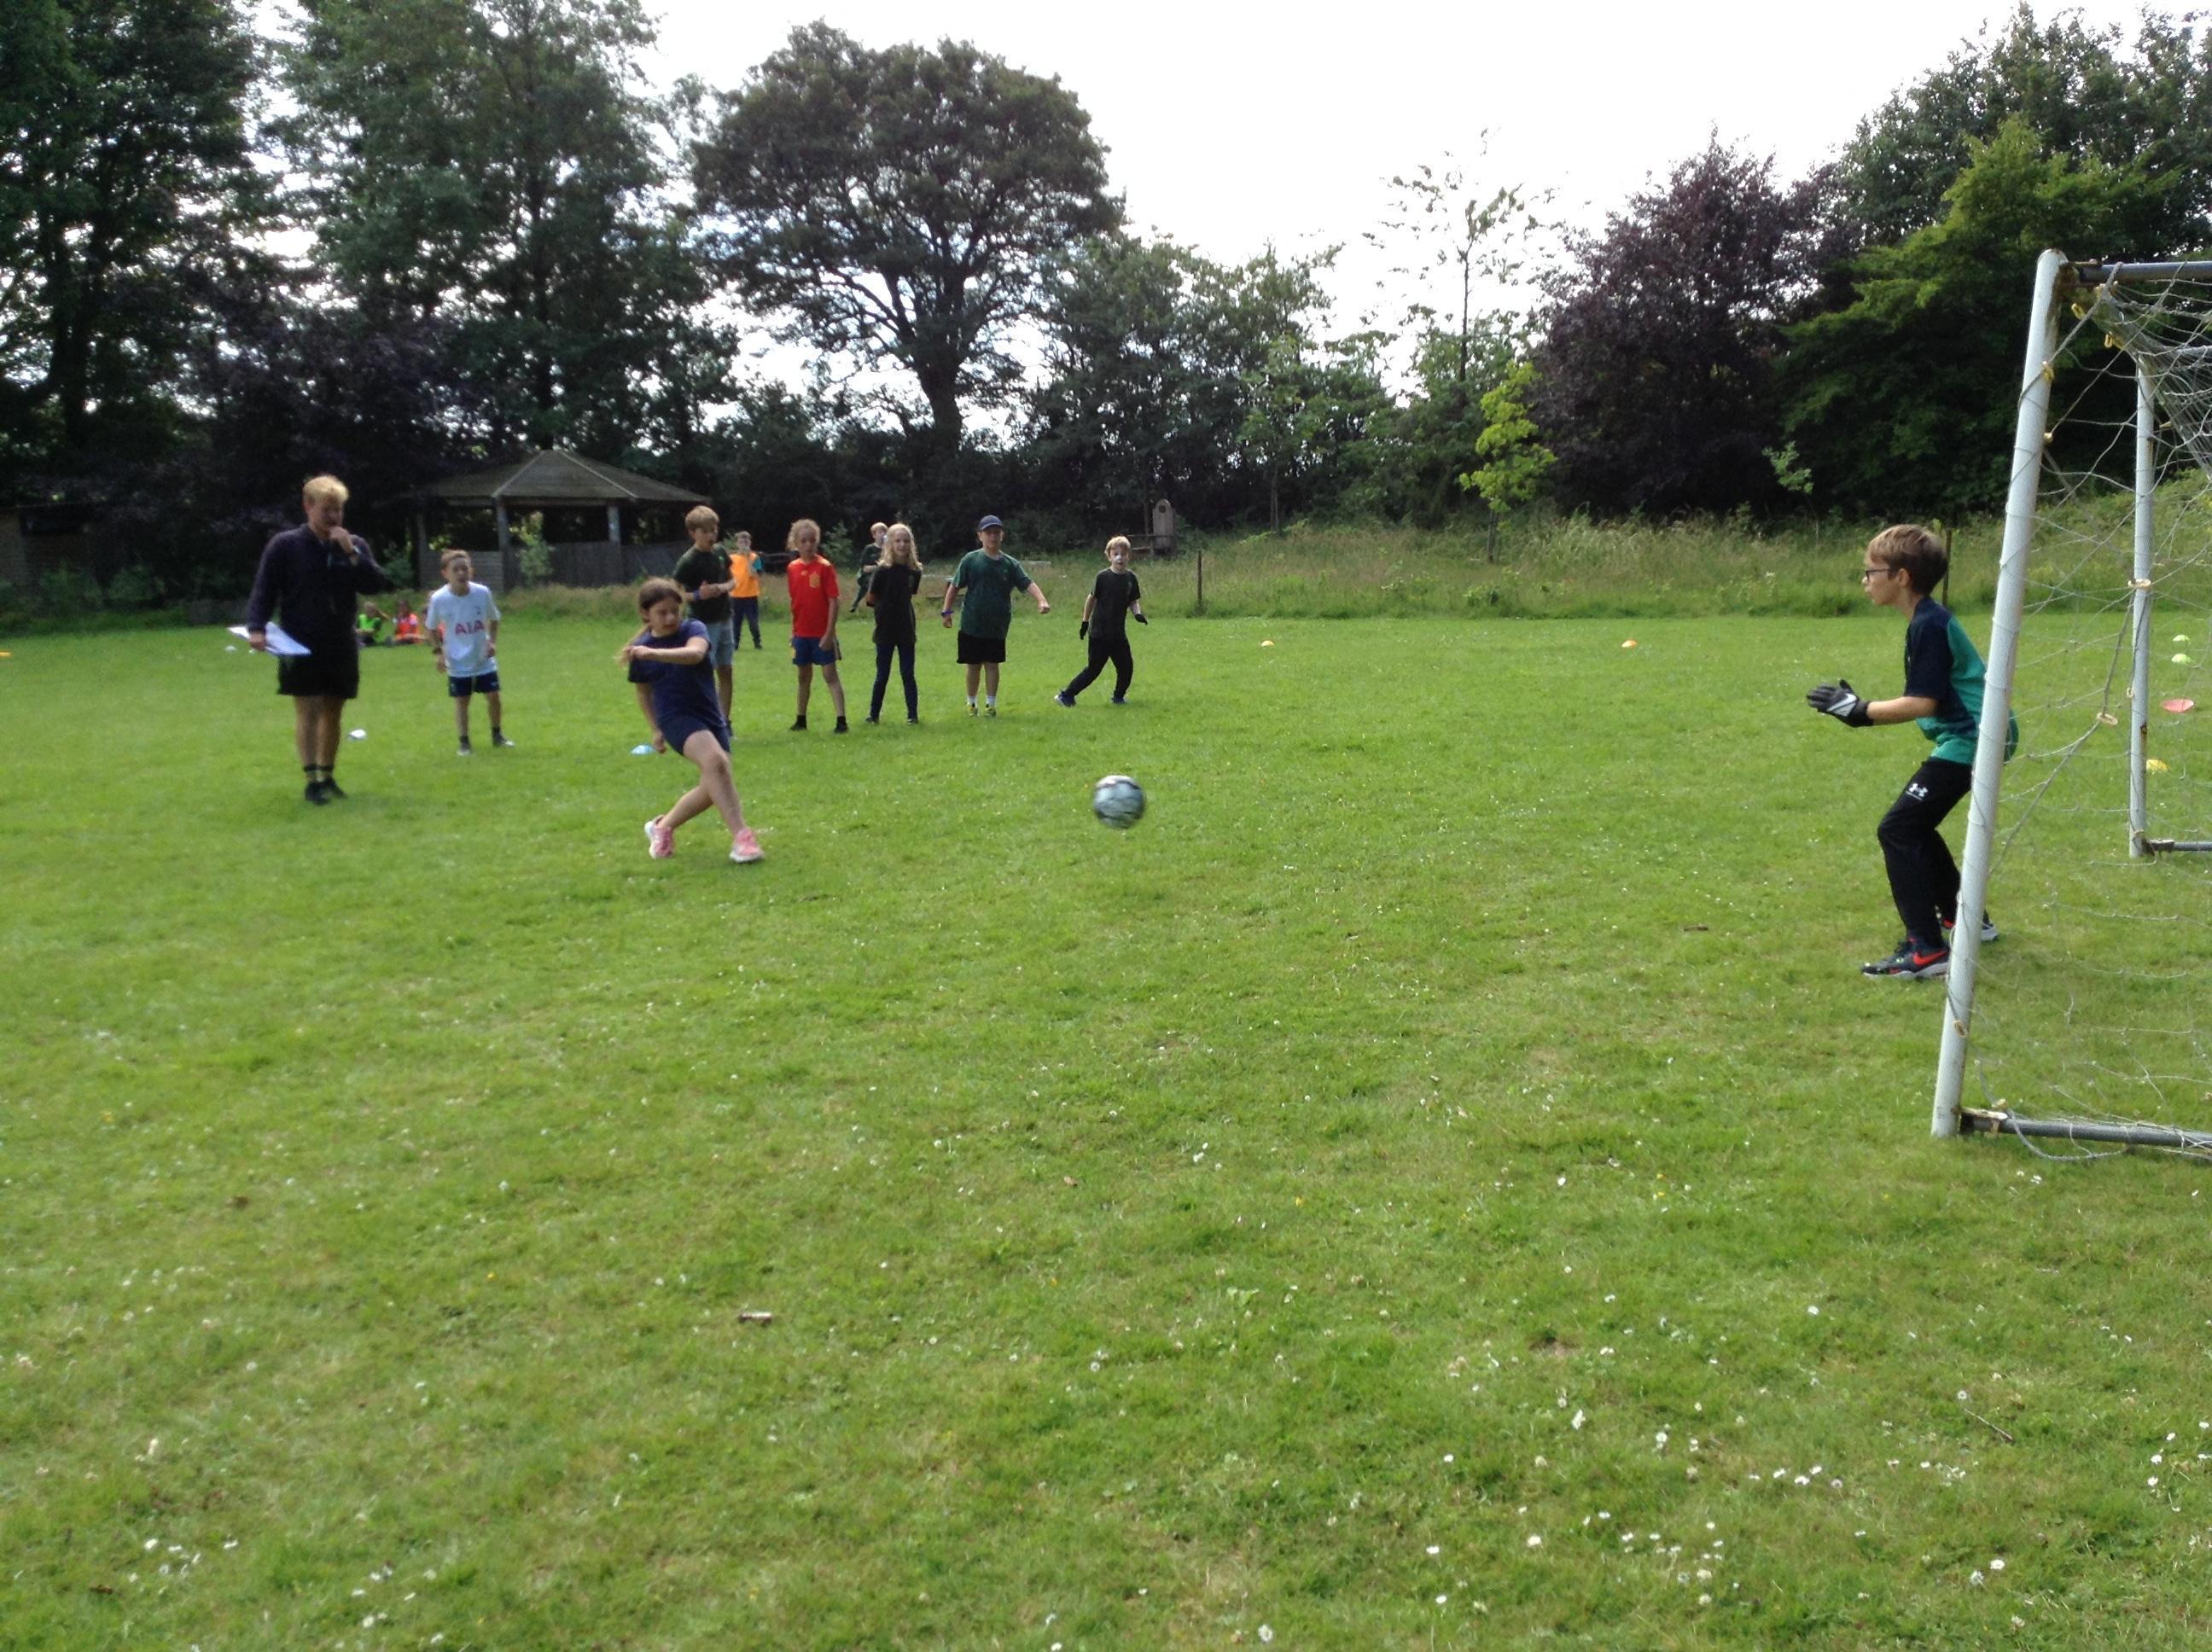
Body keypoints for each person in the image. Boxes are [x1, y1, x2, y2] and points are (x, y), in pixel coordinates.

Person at [1807, 523, 2011, 980]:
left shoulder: (1929, 625)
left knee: (1898, 829)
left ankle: (1927, 951)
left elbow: (1923, 703)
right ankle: (1966, 918)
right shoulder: (1927, 619)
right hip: (1975, 736)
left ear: (1900, 577)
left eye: (1871, 571)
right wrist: (1858, 709)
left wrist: (1859, 711)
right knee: (1914, 826)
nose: (1865, 579)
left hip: (1974, 739)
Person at [244, 474, 395, 804]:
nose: (334, 517)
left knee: (334, 710)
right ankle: (311, 779)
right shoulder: (285, 546)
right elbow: (264, 589)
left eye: (338, 510)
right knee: (308, 708)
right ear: (308, 507)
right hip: (299, 642)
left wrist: (351, 553)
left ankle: (328, 775)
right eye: (327, 509)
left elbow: (375, 585)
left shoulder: (354, 544)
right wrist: (256, 627)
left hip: (340, 640)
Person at [623, 576, 763, 864]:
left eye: (675, 611)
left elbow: (695, 654)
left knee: (715, 784)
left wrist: (655, 654)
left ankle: (662, 827)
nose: (670, 618)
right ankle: (742, 839)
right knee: (716, 764)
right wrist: (655, 729)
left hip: (709, 715)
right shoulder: (641, 649)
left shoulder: (693, 629)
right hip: (675, 718)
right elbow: (643, 693)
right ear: (645, 614)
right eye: (662, 612)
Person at [940, 514, 1049, 715]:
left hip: (997, 625)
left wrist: (1041, 600)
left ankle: (991, 704)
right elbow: (955, 586)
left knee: (992, 664)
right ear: (980, 536)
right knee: (973, 665)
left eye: (996, 533)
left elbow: (1027, 583)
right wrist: (946, 611)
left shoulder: (1010, 564)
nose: (993, 536)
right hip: (972, 623)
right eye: (988, 532)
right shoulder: (971, 560)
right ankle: (971, 703)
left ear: (1002, 536)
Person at [428, 549, 511, 754]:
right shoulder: (439, 599)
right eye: (456, 570)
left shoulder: (482, 593)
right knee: (462, 700)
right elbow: (431, 627)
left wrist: (492, 642)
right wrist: (439, 653)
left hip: (482, 656)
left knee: (493, 696)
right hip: (457, 660)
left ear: (471, 571)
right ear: (445, 573)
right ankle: (464, 742)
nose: (461, 573)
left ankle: (497, 735)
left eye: (464, 569)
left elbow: (494, 618)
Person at [1055, 535, 1148, 707]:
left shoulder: (1130, 579)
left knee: (1126, 667)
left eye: (1123, 554)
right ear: (1109, 556)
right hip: (1099, 634)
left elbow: (1133, 601)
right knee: (1094, 669)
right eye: (1116, 554)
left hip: (1118, 633)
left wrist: (1137, 614)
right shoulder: (1103, 577)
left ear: (1129, 556)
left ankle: (1118, 697)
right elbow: (1091, 599)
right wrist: (1085, 622)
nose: (1120, 558)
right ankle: (1066, 696)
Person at [674, 505, 737, 724]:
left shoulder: (720, 552)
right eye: (705, 531)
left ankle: (724, 722)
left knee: (726, 669)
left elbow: (733, 581)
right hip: (702, 624)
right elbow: (675, 593)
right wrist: (697, 595)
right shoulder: (688, 560)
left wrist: (722, 588)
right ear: (693, 533)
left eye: (714, 530)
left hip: (725, 618)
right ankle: (703, 718)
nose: (711, 536)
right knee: (703, 673)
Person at [785, 518, 848, 733]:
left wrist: (829, 634)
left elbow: (833, 601)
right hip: (801, 633)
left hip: (821, 633)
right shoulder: (792, 568)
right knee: (803, 677)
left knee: (830, 675)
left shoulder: (824, 568)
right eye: (803, 541)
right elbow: (795, 603)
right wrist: (793, 631)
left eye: (812, 540)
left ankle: (841, 720)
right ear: (796, 543)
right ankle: (801, 719)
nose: (808, 545)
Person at [863, 522, 924, 724]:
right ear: (890, 544)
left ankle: (913, 715)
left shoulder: (914, 572)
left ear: (911, 544)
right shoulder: (882, 571)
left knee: (908, 673)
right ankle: (873, 715)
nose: (902, 545)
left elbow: (911, 593)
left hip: (906, 627)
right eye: (898, 541)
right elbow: (871, 599)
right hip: (885, 628)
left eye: (906, 541)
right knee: (882, 674)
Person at [728, 530, 764, 650]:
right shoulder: (731, 558)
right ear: (737, 543)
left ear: (750, 543)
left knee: (753, 622)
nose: (744, 544)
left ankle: (757, 643)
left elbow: (754, 574)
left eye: (746, 542)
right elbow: (727, 575)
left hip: (751, 595)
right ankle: (735, 644)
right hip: (735, 595)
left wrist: (747, 558)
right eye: (741, 542)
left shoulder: (755, 558)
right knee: (735, 622)